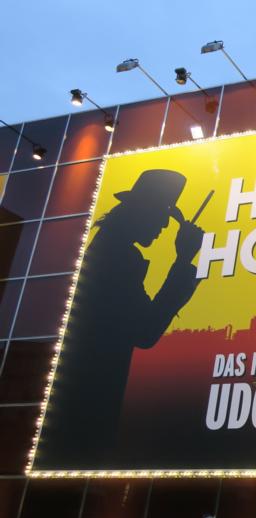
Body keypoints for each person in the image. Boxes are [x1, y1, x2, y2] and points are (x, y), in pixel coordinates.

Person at [39, 169, 205, 467]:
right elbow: (145, 331)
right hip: (87, 402)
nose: (164, 226)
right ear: (143, 211)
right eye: (162, 216)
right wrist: (183, 260)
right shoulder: (118, 257)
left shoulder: (108, 247)